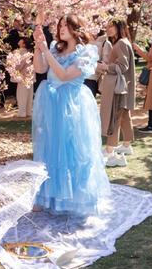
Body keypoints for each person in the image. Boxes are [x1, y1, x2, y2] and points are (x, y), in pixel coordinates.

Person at [31, 14, 110, 215]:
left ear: (76, 28)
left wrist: (45, 50)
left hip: (73, 106)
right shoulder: (56, 49)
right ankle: (47, 196)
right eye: (60, 25)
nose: (61, 28)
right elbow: (39, 68)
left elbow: (65, 76)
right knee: (50, 149)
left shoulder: (87, 52)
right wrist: (38, 46)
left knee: (73, 150)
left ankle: (75, 198)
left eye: (66, 25)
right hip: (52, 104)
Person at [98, 19, 136, 167]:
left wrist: (106, 67)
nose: (108, 29)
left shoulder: (120, 43)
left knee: (115, 116)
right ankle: (126, 145)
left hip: (118, 87)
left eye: (111, 26)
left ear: (119, 27)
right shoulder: (125, 42)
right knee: (124, 115)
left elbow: (123, 65)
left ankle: (109, 149)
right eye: (107, 26)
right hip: (123, 86)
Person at [84, 30, 112, 97]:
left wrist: (90, 63)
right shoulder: (85, 40)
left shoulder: (105, 43)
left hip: (92, 78)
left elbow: (105, 64)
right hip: (79, 76)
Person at [13, 38, 34, 118]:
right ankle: (28, 112)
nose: (20, 40)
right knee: (29, 95)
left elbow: (19, 65)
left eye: (22, 40)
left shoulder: (21, 52)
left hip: (23, 76)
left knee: (21, 95)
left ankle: (22, 113)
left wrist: (13, 67)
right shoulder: (30, 52)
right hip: (31, 75)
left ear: (24, 44)